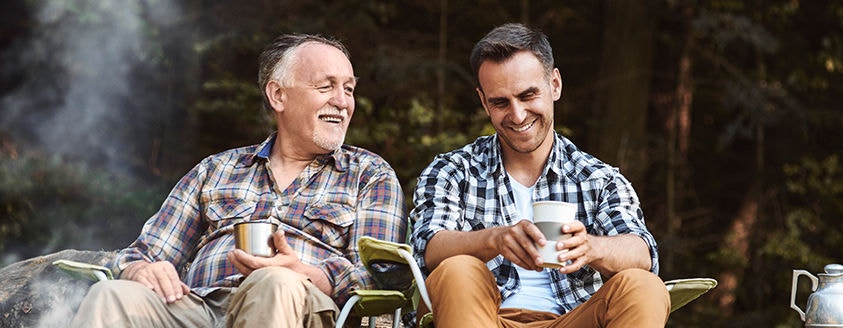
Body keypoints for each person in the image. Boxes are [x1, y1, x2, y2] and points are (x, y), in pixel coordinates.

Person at [71, 33, 408, 328]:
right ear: (278, 95)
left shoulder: (369, 174)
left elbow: (383, 273)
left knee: (274, 282)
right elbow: (143, 253)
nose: (342, 101)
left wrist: (311, 273)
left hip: (300, 305)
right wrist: (140, 270)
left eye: (348, 89)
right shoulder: (216, 170)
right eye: (326, 86)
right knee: (111, 295)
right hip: (200, 307)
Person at [409, 23, 670, 327]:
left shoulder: (599, 179)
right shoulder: (453, 171)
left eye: (528, 95)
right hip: (484, 318)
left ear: (555, 85)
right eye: (500, 102)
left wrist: (592, 247)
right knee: (458, 269)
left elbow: (642, 253)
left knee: (644, 286)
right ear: (483, 102)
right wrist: (494, 239)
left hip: (574, 319)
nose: (518, 115)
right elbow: (429, 248)